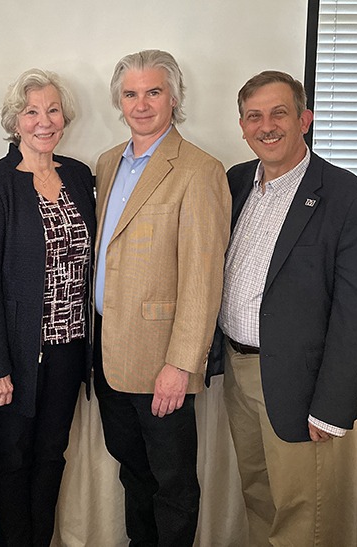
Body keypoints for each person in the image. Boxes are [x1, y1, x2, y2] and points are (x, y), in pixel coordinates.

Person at [207, 70, 357, 546]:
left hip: (298, 383)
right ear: (242, 126)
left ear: (304, 119)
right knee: (258, 496)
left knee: (300, 513)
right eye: (254, 116)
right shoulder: (237, 181)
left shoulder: (351, 199)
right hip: (238, 371)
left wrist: (331, 405)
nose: (266, 126)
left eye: (278, 113)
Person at [93, 50, 231, 546]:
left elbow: (203, 276)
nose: (142, 103)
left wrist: (180, 363)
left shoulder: (199, 169)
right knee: (134, 473)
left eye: (153, 92)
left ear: (174, 97)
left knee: (172, 484)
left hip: (161, 362)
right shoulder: (108, 163)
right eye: (131, 93)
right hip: (108, 351)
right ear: (119, 101)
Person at [0, 68, 96, 547]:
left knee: (51, 456)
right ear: (15, 121)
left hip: (68, 349)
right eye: (32, 111)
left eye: (53, 110)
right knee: (12, 459)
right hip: (16, 357)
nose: (44, 121)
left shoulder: (80, 177)